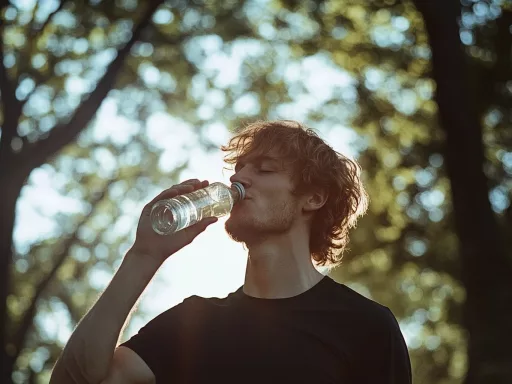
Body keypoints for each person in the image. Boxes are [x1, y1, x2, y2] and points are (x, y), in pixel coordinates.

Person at [50, 120, 412, 384]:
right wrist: (143, 255)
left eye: (265, 169)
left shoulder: (365, 326)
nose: (239, 180)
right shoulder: (191, 324)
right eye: (238, 169)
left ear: (313, 197)